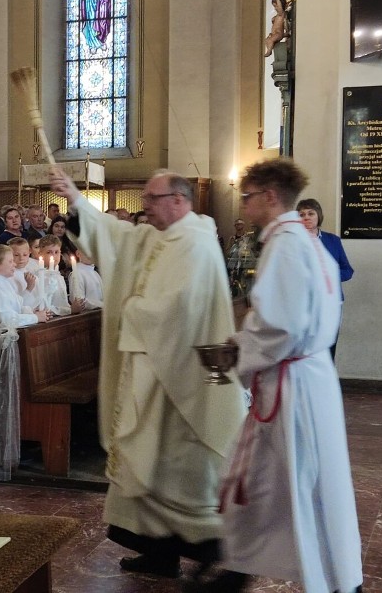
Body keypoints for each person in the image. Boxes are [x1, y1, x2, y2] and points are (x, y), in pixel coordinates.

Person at [50, 166, 246, 577]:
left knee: (173, 462)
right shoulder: (157, 235)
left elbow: (178, 308)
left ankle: (212, 554)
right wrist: (75, 199)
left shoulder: (194, 242)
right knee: (148, 458)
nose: (144, 208)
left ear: (178, 200)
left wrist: (129, 310)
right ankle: (157, 551)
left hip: (177, 375)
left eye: (151, 200)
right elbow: (117, 239)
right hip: (149, 363)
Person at [191, 159, 362, 593]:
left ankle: (333, 581)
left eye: (248, 197)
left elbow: (281, 326)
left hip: (291, 385)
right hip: (307, 377)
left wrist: (238, 351)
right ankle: (236, 569)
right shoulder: (304, 241)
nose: (244, 207)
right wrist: (246, 341)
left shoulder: (285, 245)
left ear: (270, 196)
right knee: (266, 479)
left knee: (292, 484)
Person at [0, 244, 48, 479]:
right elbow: (6, 317)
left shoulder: (3, 283)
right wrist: (34, 318)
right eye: (9, 260)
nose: (14, 263)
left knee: (4, 388)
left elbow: (15, 306)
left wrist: (29, 295)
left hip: (4, 338)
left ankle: (5, 438)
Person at [296, 198, 353, 360]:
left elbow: (348, 270)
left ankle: (327, 381)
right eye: (301, 214)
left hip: (331, 302)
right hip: (304, 303)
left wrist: (328, 276)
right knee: (306, 348)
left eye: (310, 213)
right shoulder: (293, 241)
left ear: (318, 216)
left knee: (329, 346)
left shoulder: (333, 240)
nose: (306, 217)